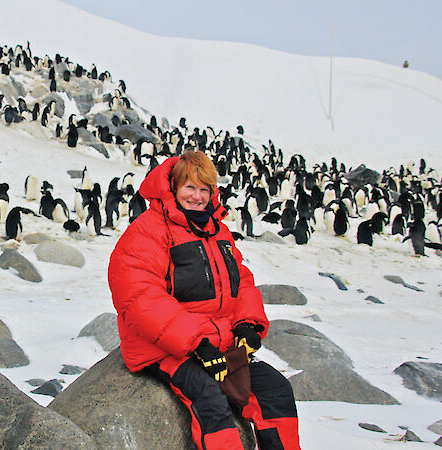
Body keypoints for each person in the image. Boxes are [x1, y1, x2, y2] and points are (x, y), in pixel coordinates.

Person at [108, 151, 300, 449]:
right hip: (162, 347)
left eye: (204, 189)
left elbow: (240, 281)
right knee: (210, 398)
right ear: (173, 188)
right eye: (189, 187)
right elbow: (139, 297)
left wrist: (248, 324)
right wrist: (196, 342)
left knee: (276, 390)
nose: (197, 197)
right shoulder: (147, 232)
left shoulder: (216, 230)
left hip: (216, 343)